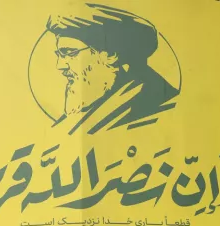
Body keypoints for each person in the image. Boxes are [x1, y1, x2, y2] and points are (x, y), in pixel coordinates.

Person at [46, 4, 180, 136]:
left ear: (110, 55)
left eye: (70, 53)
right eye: (59, 55)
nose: (60, 66)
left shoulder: (156, 105)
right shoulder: (97, 103)